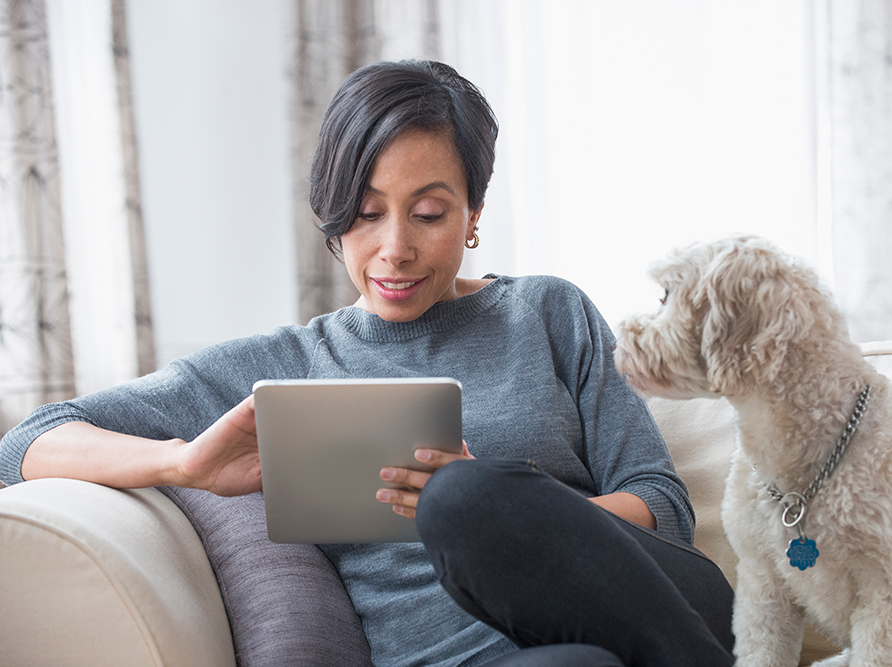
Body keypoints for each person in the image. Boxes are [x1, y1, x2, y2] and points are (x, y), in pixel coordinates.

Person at [0, 60, 735, 667]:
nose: (393, 248)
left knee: (464, 501)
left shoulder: (545, 312)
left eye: (428, 212)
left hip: (655, 602)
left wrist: (513, 510)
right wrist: (184, 463)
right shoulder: (281, 367)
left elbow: (661, 505)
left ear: (474, 213)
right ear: (331, 212)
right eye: (365, 210)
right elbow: (26, 443)